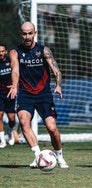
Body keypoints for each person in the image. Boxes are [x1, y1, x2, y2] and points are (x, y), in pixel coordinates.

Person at [7, 21, 69, 168]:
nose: (27, 36)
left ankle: (59, 156)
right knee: (23, 122)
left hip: (44, 94)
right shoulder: (15, 52)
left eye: (30, 33)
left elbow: (56, 70)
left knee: (52, 128)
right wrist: (15, 85)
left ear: (35, 33)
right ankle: (39, 156)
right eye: (24, 33)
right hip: (25, 94)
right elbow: (15, 70)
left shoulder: (44, 50)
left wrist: (58, 85)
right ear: (21, 34)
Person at [0, 44, 16, 148]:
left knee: (12, 119)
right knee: (0, 115)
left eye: (2, 51)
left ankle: (10, 132)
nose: (0, 53)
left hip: (10, 92)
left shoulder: (10, 62)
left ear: (5, 52)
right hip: (0, 93)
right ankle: (2, 140)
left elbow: (16, 73)